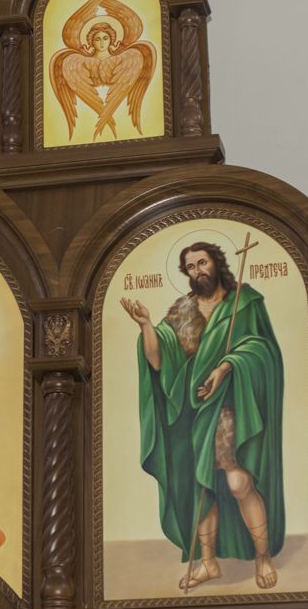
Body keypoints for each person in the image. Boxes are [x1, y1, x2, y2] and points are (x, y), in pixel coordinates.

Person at [120, 242, 285, 591]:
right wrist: (146, 325)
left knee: (238, 482)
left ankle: (263, 555)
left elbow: (264, 350)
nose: (198, 271)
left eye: (202, 263)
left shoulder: (244, 302)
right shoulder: (182, 312)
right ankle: (208, 563)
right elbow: (157, 361)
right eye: (191, 267)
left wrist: (227, 366)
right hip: (190, 411)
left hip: (229, 405)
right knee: (200, 488)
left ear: (216, 263)